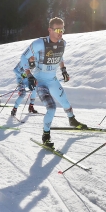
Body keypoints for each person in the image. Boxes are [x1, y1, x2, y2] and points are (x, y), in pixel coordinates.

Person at [19, 17, 85, 148]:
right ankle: (46, 136)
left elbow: (60, 56)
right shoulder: (39, 43)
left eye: (63, 30)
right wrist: (29, 75)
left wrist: (64, 70)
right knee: (52, 107)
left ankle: (72, 120)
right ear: (50, 30)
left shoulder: (63, 43)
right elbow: (23, 57)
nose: (60, 33)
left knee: (65, 102)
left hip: (52, 79)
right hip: (41, 81)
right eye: (57, 30)